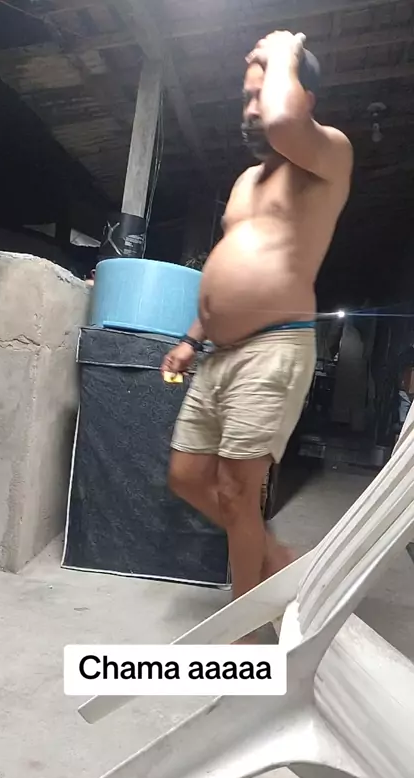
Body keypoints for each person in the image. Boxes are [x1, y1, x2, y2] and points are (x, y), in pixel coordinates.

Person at [161, 31, 353, 639]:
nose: (251, 109)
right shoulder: (246, 181)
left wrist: (284, 50)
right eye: (245, 97)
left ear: (302, 93)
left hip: (275, 345)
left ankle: (245, 637)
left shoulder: (328, 155)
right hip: (219, 353)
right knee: (186, 476)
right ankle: (273, 559)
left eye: (261, 94)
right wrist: (193, 337)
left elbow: (284, 122)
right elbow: (232, 260)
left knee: (238, 493)